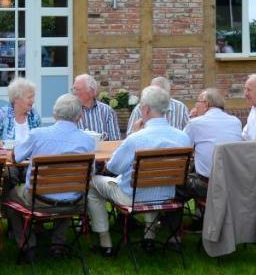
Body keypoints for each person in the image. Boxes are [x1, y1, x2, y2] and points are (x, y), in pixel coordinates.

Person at [86, 85, 190, 256]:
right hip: (167, 194)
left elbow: (113, 167)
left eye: (141, 105)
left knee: (91, 183)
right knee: (153, 183)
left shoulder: (136, 138)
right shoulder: (183, 137)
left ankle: (105, 242)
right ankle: (149, 238)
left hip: (132, 197)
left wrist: (132, 135)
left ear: (146, 109)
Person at [4, 93, 95, 258]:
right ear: (80, 116)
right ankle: (58, 244)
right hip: (74, 202)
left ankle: (28, 244)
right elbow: (92, 173)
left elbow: (15, 157)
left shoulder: (38, 135)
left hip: (38, 201)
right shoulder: (88, 141)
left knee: (9, 196)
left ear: (54, 114)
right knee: (69, 190)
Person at [182, 88, 244, 200]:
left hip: (206, 186)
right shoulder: (236, 121)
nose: (196, 106)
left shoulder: (195, 123)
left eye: (198, 103)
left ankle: (170, 217)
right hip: (232, 183)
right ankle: (200, 214)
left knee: (177, 184)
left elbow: (183, 149)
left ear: (206, 104)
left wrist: (191, 118)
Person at [0, 77, 41, 150]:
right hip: (8, 158)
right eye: (29, 97)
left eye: (33, 97)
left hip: (30, 158)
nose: (33, 101)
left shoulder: (34, 115)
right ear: (17, 98)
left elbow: (40, 139)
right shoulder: (2, 114)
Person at [126, 76, 190, 132]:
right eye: (155, 94)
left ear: (169, 93)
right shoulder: (140, 108)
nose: (159, 98)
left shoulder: (181, 107)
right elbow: (130, 133)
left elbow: (188, 131)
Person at [72, 73, 120, 141]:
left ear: (91, 91)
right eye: (74, 89)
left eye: (78, 89)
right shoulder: (70, 111)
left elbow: (115, 140)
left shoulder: (107, 111)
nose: (74, 92)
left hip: (103, 150)